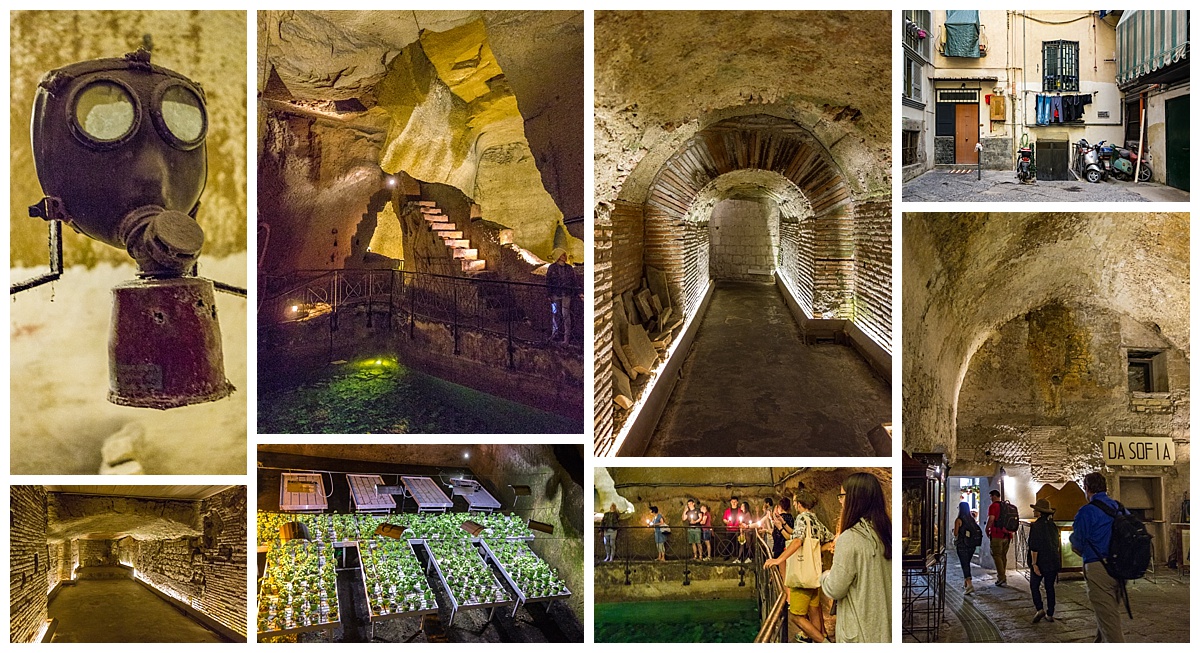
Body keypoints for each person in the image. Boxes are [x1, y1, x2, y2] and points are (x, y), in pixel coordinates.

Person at [821, 472, 892, 643]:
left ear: (854, 499)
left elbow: (835, 588)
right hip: (884, 627)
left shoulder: (850, 538)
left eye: (842, 496)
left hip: (860, 631)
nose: (840, 501)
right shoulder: (886, 532)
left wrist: (824, 575)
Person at [764, 488, 835, 642]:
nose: (794, 504)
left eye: (795, 501)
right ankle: (817, 639)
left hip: (802, 573)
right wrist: (815, 552)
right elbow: (830, 540)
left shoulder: (802, 518)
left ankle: (824, 644)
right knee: (814, 610)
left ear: (799, 503)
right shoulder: (814, 519)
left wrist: (778, 560)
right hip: (814, 572)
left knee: (796, 617)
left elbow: (797, 541)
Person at [1071, 472, 1125, 642]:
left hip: (1098, 568)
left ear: (1086, 488)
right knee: (1107, 612)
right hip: (1120, 567)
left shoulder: (1087, 511)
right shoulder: (1119, 507)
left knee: (1110, 623)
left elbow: (1077, 543)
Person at [1028, 498, 1061, 624]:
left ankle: (1040, 608)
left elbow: (1034, 547)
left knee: (1034, 585)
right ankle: (1050, 613)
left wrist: (1034, 564)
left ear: (1040, 512)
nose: (1034, 512)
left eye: (1035, 510)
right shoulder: (1052, 525)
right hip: (1052, 561)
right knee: (1049, 587)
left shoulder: (1036, 526)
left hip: (1041, 561)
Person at [985, 488, 1013, 586]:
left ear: (994, 496)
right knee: (1003, 556)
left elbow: (991, 519)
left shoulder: (993, 506)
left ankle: (1002, 578)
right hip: (1007, 535)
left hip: (997, 535)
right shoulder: (1006, 506)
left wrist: (987, 529)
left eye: (991, 497)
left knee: (997, 556)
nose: (991, 499)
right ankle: (1002, 576)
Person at [546, 249, 575, 342]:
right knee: (555, 314)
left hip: (566, 294)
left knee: (565, 315)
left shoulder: (569, 268)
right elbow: (548, 281)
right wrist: (549, 294)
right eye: (563, 255)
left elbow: (574, 281)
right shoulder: (552, 268)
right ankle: (555, 334)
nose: (565, 257)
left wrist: (578, 292)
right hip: (555, 295)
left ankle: (566, 337)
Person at [953, 501, 981, 594]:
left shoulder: (959, 520)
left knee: (964, 564)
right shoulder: (971, 519)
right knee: (967, 563)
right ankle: (966, 583)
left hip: (962, 545)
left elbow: (956, 533)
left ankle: (969, 584)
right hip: (971, 545)